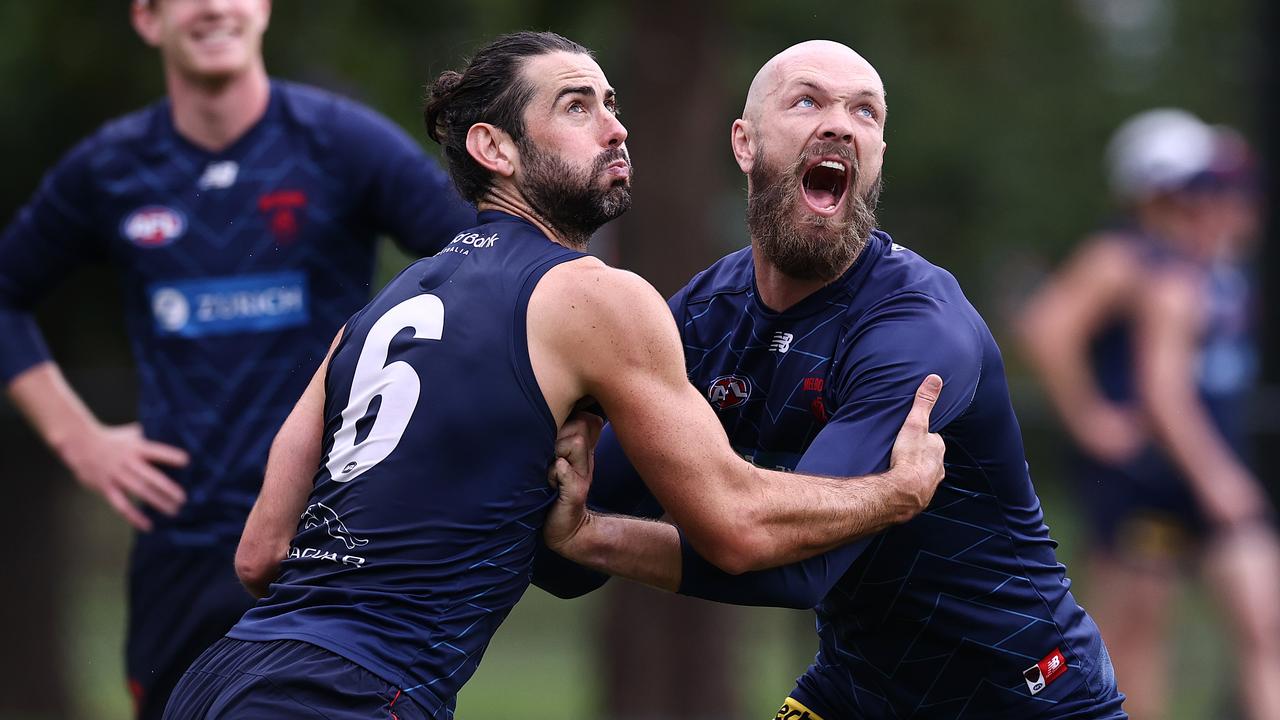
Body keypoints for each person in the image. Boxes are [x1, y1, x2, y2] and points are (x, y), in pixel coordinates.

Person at [161, 31, 949, 719]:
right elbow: (735, 523)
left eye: (610, 103)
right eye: (576, 108)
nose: (616, 127)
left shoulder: (372, 315)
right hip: (346, 695)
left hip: (224, 675)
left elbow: (260, 556)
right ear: (493, 149)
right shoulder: (592, 294)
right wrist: (894, 493)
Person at [536, 40, 1128, 719]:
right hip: (856, 690)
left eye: (866, 113)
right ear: (745, 142)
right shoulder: (705, 316)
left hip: (1025, 696)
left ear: (877, 158)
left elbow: (794, 567)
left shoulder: (918, 327)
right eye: (808, 100)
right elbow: (563, 553)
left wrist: (590, 535)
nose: (841, 124)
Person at [0, 0, 476, 717]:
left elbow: (483, 260)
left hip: (328, 542)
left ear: (263, 9)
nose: (215, 6)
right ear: (147, 18)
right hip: (182, 548)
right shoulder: (110, 167)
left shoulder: (344, 144)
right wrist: (79, 438)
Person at [1018, 109, 1280, 720]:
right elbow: (1048, 328)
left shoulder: (1199, 260)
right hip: (1145, 477)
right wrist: (1090, 417)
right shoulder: (1125, 257)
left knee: (1254, 621)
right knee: (1130, 633)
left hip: (1199, 466)